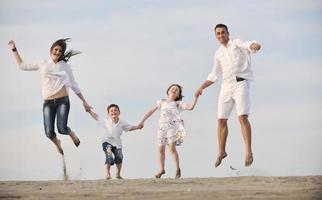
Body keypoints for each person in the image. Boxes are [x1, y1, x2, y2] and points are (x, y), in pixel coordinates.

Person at [8, 39, 92, 155]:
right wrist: (14, 49)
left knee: (62, 129)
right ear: (51, 50)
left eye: (60, 51)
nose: (57, 52)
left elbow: (73, 84)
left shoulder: (64, 66)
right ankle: (57, 143)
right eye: (56, 49)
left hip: (63, 101)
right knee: (49, 133)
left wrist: (84, 102)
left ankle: (71, 133)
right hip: (48, 103)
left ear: (62, 54)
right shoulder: (43, 64)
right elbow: (22, 66)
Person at [195, 24, 261, 167]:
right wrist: (201, 87)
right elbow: (214, 75)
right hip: (225, 86)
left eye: (223, 33)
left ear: (228, 33)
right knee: (221, 120)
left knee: (242, 117)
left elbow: (248, 45)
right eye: (218, 34)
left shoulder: (236, 43)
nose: (220, 35)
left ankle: (248, 151)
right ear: (215, 36)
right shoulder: (218, 53)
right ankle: (221, 151)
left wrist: (255, 45)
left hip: (240, 83)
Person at [139, 84, 198, 178]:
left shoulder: (178, 103)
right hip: (161, 128)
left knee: (172, 148)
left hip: (172, 128)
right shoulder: (161, 101)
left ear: (178, 94)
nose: (174, 90)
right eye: (173, 88)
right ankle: (162, 169)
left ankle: (177, 169)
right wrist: (142, 121)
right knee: (160, 149)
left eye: (177, 90)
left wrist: (196, 97)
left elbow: (191, 107)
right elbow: (151, 111)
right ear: (168, 90)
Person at [88, 104, 143, 179]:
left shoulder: (122, 122)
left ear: (119, 112)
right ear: (108, 114)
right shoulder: (106, 121)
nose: (113, 112)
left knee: (119, 158)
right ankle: (107, 174)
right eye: (111, 111)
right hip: (107, 142)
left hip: (117, 144)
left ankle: (118, 174)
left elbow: (129, 128)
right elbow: (96, 117)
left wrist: (138, 127)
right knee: (109, 155)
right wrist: (89, 111)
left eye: (115, 110)